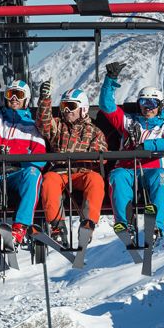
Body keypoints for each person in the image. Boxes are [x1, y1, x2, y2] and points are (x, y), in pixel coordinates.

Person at [99, 61, 164, 245]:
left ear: (160, 105)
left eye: (152, 103)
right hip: (128, 169)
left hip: (152, 169)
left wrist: (147, 146)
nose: (148, 107)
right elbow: (107, 106)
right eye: (144, 102)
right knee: (118, 176)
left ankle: (156, 225)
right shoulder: (129, 123)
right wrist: (110, 79)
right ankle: (124, 224)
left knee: (162, 177)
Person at [0, 78, 47, 245]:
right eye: (11, 94)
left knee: (34, 173)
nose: (14, 99)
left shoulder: (32, 127)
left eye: (19, 95)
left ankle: (19, 227)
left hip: (16, 174)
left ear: (26, 99)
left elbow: (40, 159)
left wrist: (20, 163)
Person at [36, 86, 108, 246]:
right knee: (49, 180)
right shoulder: (58, 126)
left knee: (96, 180)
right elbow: (43, 124)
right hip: (60, 172)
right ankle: (57, 226)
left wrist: (89, 157)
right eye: (63, 107)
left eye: (72, 106)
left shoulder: (94, 132)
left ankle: (88, 224)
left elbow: (101, 155)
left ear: (83, 109)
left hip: (83, 172)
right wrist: (45, 100)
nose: (67, 110)